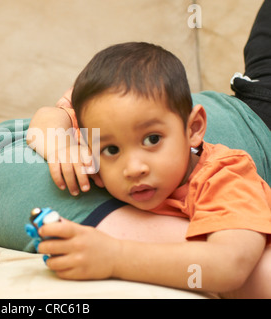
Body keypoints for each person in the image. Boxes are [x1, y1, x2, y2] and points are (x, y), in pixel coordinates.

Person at [27, 3, 271, 298]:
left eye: (153, 140)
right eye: (112, 150)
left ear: (193, 129)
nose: (134, 168)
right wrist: (61, 146)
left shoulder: (225, 176)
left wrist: (113, 256)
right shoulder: (106, 127)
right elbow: (48, 116)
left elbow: (229, 266)